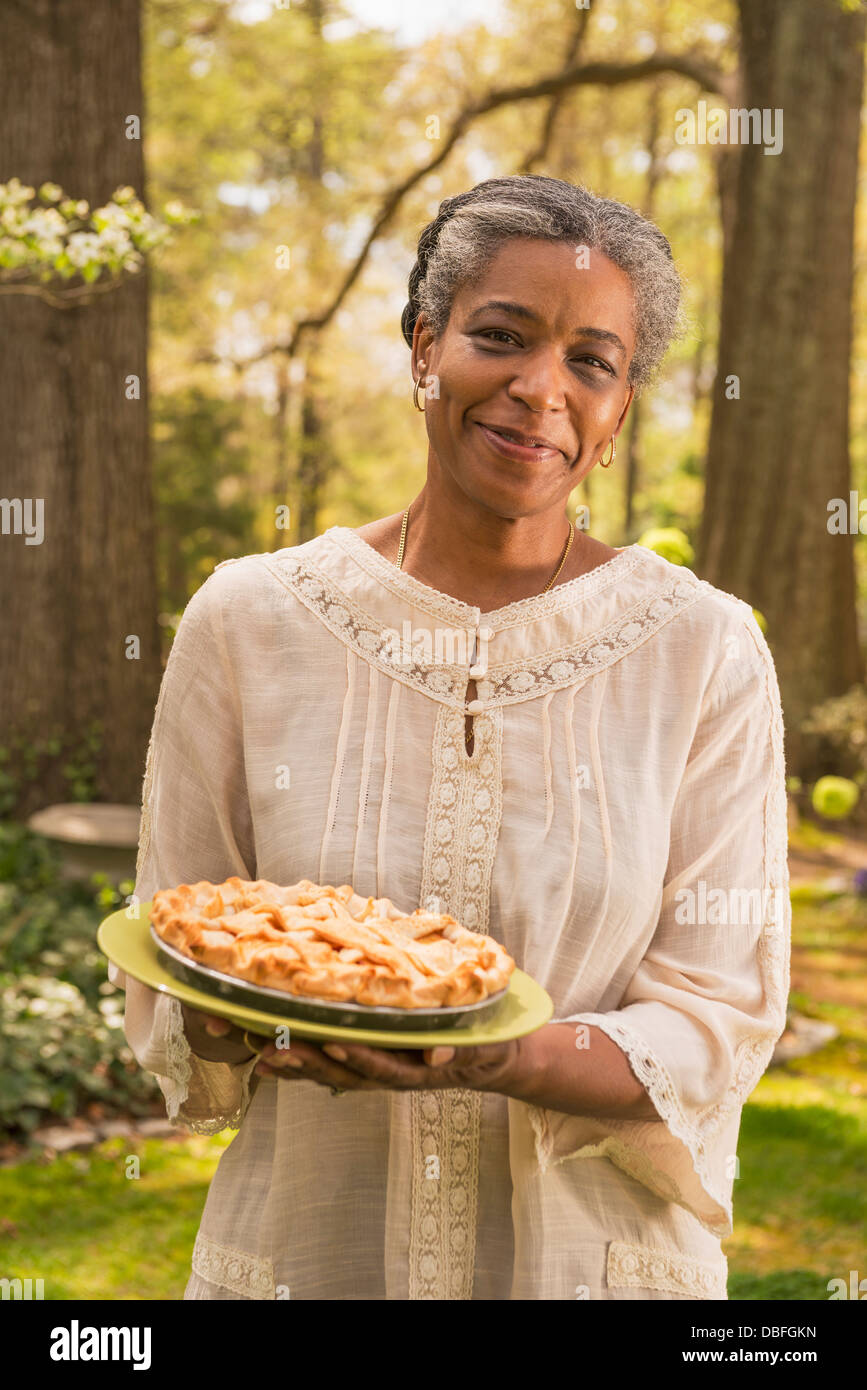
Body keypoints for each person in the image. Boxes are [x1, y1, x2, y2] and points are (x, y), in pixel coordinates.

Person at [114, 174, 790, 1300]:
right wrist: (251, 1023)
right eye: (501, 336)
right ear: (425, 346)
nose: (540, 390)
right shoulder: (249, 619)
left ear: (621, 409)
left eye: (592, 361)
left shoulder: (704, 650)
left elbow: (718, 1017)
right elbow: (176, 959)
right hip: (307, 1262)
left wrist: (497, 1055)